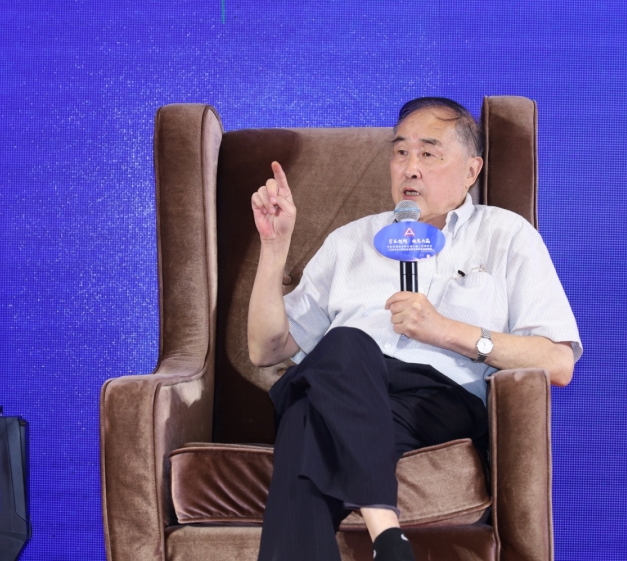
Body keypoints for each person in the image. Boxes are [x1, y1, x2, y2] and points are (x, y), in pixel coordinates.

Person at [247, 97, 582, 561]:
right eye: (400, 152)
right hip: (345, 387)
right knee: (321, 389)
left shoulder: (505, 235)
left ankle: (388, 540)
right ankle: (388, 538)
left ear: (471, 170)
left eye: (428, 153)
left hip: (438, 400)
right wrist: (273, 247)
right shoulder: (351, 240)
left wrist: (445, 330)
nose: (410, 168)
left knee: (312, 401)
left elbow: (558, 363)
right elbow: (265, 349)